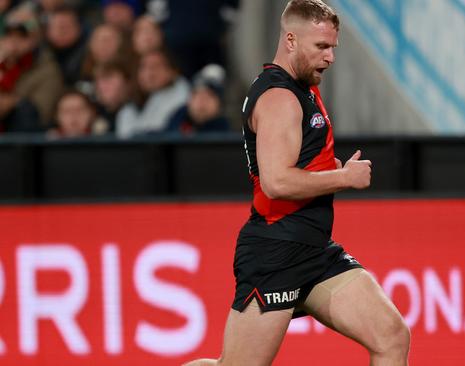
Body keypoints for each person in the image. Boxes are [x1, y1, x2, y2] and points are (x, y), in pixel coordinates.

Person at [183, 1, 410, 365]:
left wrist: (325, 168)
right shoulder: (279, 98)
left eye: (333, 46)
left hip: (315, 250)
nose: (331, 57)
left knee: (391, 336)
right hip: (276, 252)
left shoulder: (301, 86)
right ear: (290, 39)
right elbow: (276, 183)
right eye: (321, 46)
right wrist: (343, 177)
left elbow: (294, 161)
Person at [115, 47, 189, 138]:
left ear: (172, 72)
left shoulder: (182, 97)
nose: (149, 74)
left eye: (156, 67)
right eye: (143, 67)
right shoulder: (130, 106)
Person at [164, 63, 230, 134]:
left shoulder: (224, 132)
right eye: (197, 95)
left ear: (219, 104)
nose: (202, 101)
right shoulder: (178, 118)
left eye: (209, 96)